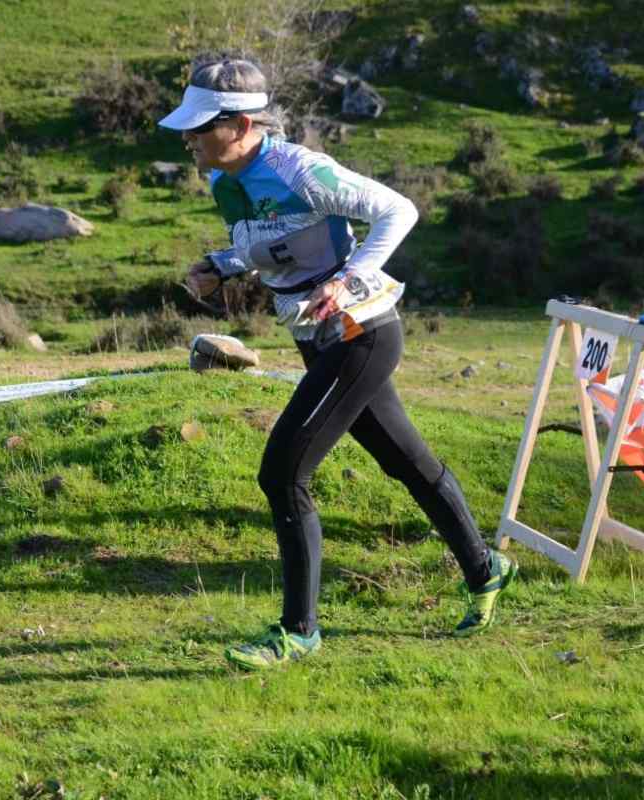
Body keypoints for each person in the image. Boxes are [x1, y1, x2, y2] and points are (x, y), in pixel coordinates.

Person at [159, 59, 517, 671]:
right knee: (406, 461)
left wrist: (349, 279)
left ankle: (298, 631)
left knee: (283, 471)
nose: (187, 139)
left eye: (199, 127)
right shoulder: (224, 180)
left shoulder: (299, 169)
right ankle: (486, 570)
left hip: (361, 333)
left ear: (241, 124)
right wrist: (222, 264)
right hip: (316, 337)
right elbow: (272, 244)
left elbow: (398, 210)